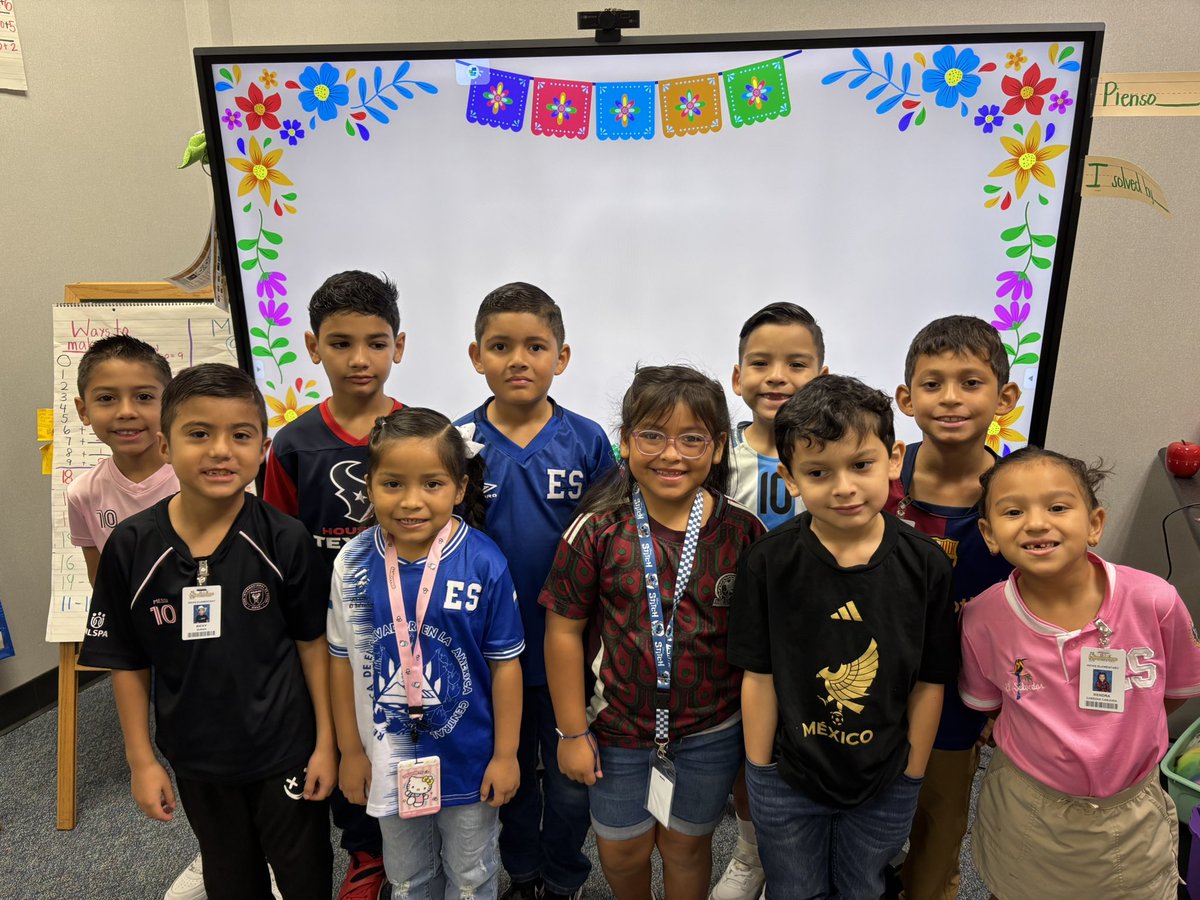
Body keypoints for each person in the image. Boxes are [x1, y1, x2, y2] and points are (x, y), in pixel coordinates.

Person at [78, 363, 335, 900]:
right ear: (165, 445)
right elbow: (126, 660)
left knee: (305, 875)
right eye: (199, 433)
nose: (221, 451)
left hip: (286, 749)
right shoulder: (130, 547)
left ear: (263, 449)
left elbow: (314, 646)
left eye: (240, 435)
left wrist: (326, 745)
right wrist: (141, 760)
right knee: (229, 876)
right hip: (196, 755)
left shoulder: (285, 538)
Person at [728, 374, 957, 900]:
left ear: (893, 459)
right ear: (789, 478)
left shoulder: (926, 565)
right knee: (793, 888)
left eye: (860, 465)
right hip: (787, 777)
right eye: (818, 472)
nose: (844, 487)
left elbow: (930, 681)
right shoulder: (768, 562)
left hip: (886, 779)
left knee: (862, 888)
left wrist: (912, 776)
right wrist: (760, 773)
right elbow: (759, 676)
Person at [542, 365, 765, 900]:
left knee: (688, 847)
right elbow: (563, 632)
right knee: (622, 852)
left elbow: (760, 646)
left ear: (717, 447)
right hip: (614, 731)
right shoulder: (597, 528)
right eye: (652, 436)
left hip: (711, 731)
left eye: (692, 439)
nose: (671, 454)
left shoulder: (742, 531)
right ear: (625, 441)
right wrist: (571, 733)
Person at [961, 447, 1200, 898]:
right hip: (1028, 806)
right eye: (1013, 512)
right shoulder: (982, 619)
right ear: (989, 534)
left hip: (1132, 809)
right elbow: (990, 706)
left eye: (1057, 507)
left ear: (1094, 524)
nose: (1036, 523)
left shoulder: (1155, 601)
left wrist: (1123, 729)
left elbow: (1172, 693)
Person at [456, 282, 615, 900]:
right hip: (491, 653)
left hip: (569, 650)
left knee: (574, 782)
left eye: (535, 347)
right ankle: (522, 874)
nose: (518, 360)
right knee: (510, 772)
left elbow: (610, 542)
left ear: (561, 357)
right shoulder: (458, 444)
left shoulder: (588, 441)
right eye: (500, 346)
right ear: (477, 356)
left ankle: (564, 875)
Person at [327, 407, 525, 898]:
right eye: (392, 484)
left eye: (432, 484)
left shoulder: (484, 561)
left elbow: (505, 667)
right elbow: (341, 662)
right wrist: (350, 751)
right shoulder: (352, 562)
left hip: (470, 761)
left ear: (459, 488)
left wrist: (506, 755)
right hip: (387, 759)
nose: (411, 501)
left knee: (472, 878)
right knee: (408, 878)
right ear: (369, 486)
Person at [263, 270, 405, 899]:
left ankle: (416, 844)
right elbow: (277, 545)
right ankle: (365, 853)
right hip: (329, 635)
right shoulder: (294, 444)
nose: (359, 359)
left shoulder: (421, 432)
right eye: (341, 343)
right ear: (313, 347)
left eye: (376, 343)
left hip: (410, 624)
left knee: (407, 732)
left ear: (398, 346)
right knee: (347, 739)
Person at [885, 315, 1020, 900]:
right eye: (933, 383)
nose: (950, 398)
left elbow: (1035, 603)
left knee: (940, 815)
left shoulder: (1020, 492)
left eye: (970, 382)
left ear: (1004, 398)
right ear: (906, 398)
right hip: (878, 676)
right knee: (863, 802)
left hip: (964, 690)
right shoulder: (879, 476)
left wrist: (1007, 701)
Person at [715, 301, 828, 900]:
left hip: (814, 633)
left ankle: (799, 859)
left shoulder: (833, 458)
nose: (777, 377)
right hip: (735, 634)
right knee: (747, 751)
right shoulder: (717, 457)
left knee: (809, 742)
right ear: (738, 378)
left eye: (796, 364)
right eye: (761, 364)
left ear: (821, 374)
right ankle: (750, 853)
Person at [68, 335, 177, 586]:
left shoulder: (197, 481)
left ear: (169, 404)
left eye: (144, 397)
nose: (126, 412)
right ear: (83, 411)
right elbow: (100, 580)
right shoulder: (83, 494)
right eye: (107, 398)